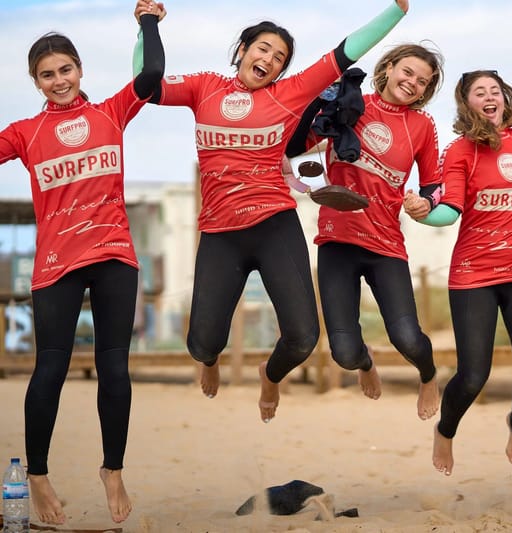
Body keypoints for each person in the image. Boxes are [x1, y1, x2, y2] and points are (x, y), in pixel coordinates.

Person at [133, 1, 411, 422]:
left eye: (279, 57)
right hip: (220, 232)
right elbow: (146, 84)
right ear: (243, 49)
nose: (268, 59)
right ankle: (211, 359)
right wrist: (146, 24)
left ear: (282, 71)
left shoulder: (289, 94)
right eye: (262, 48)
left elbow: (345, 52)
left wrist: (396, 11)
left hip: (274, 224)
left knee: (303, 338)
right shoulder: (204, 86)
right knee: (201, 344)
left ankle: (270, 375)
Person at [0, 1, 165, 524]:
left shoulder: (110, 112)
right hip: (55, 263)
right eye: (46, 74)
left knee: (115, 367)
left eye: (65, 69)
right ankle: (39, 476)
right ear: (35, 80)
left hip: (114, 254)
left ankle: (112, 469)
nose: (58, 80)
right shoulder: (25, 133)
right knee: (50, 367)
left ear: (79, 69)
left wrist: (147, 21)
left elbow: (153, 74)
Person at [286, 43, 444, 420]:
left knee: (407, 338)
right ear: (388, 68)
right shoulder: (350, 103)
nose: (412, 83)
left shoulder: (422, 126)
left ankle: (429, 375)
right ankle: (366, 363)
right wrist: (317, 183)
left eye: (422, 81)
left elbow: (434, 185)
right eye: (407, 72)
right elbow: (298, 148)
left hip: (386, 244)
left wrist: (426, 203)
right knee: (343, 353)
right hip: (336, 239)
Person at [406, 70, 512, 475]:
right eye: (479, 92)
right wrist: (421, 213)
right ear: (466, 104)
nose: (489, 97)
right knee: (473, 377)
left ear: (504, 98)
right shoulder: (460, 152)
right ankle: (446, 430)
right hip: (474, 276)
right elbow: (449, 210)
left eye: (495, 90)